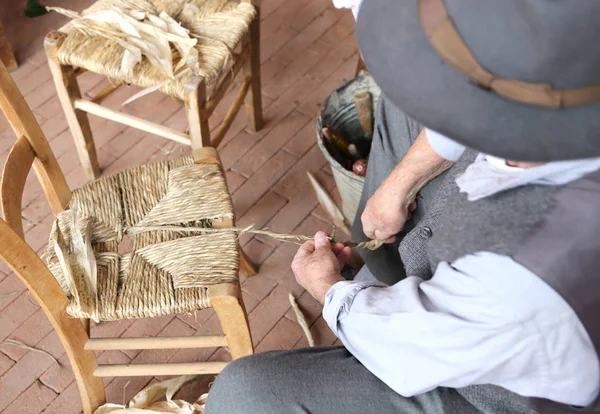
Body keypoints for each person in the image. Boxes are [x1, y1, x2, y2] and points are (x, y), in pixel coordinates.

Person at [205, 0, 600, 412]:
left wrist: (330, 289)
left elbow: (414, 348)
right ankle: (388, 271)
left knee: (245, 394)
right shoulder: (571, 87)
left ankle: (385, 283)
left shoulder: (530, 274)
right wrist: (399, 183)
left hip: (496, 394)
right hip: (489, 307)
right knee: (402, 108)